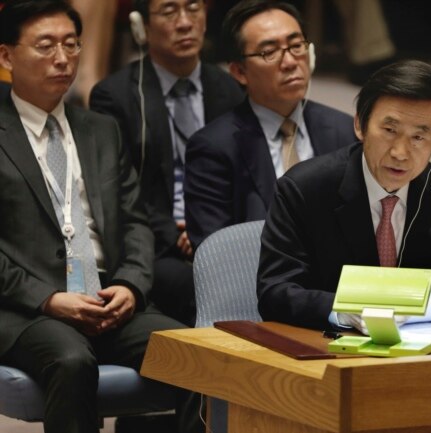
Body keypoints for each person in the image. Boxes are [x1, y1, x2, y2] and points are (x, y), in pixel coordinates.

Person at [0, 1, 202, 432]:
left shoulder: (100, 130)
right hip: (27, 309)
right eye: (46, 46)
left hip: (106, 299)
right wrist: (48, 298)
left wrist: (130, 284)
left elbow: (135, 222)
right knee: (72, 360)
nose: (62, 58)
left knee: (195, 353)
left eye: (72, 45)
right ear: (5, 56)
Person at [257, 60, 431, 331]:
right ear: (360, 126)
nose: (400, 153)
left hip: (429, 354)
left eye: (418, 138)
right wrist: (342, 311)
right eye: (389, 131)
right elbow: (275, 291)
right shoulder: (305, 188)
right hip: (334, 351)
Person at [90, 0, 244, 326]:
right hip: (155, 243)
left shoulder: (231, 88)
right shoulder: (115, 96)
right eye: (169, 11)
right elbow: (118, 186)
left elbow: (243, 175)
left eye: (193, 8)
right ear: (141, 26)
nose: (185, 22)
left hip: (220, 233)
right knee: (197, 286)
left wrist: (209, 227)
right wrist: (174, 234)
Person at [184, 0, 356, 248]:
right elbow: (216, 255)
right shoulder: (213, 148)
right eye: (269, 52)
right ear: (239, 71)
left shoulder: (344, 131)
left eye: (296, 46)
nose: (289, 62)